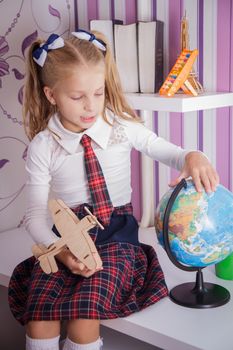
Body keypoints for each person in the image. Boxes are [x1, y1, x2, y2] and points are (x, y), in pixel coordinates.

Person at [8, 29, 219, 350]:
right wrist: (62, 251)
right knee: (40, 316)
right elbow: (35, 216)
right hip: (65, 236)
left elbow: (170, 152)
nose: (90, 106)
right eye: (77, 97)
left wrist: (193, 155)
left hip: (116, 233)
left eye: (98, 92)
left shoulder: (122, 126)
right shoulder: (43, 146)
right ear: (51, 95)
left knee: (84, 316)